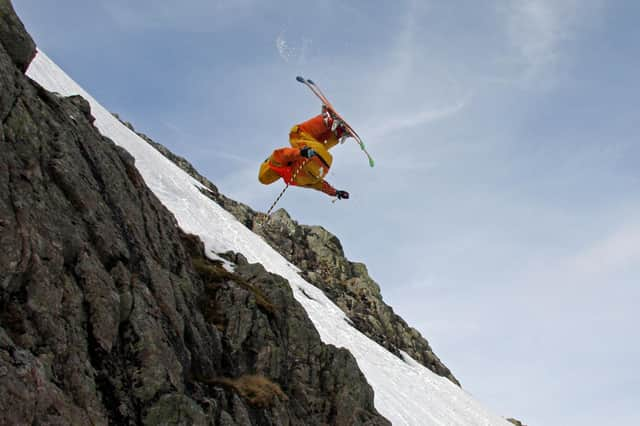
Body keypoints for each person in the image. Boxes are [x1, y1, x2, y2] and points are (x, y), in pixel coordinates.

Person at [258, 107, 350, 199]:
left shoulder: (291, 181)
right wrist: (301, 153)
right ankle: (326, 120)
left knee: (311, 147)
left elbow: (318, 185)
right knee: (295, 134)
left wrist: (335, 192)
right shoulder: (275, 163)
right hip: (311, 160)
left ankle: (338, 133)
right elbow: (285, 154)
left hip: (323, 166)